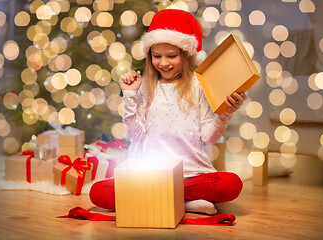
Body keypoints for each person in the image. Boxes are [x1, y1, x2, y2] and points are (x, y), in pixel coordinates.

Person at [90, 9, 247, 215]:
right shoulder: (145, 87)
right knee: (98, 192)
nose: (163, 63)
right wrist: (129, 96)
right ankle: (183, 202)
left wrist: (225, 113)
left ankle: (161, 199)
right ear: (150, 56)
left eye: (171, 56)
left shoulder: (198, 86)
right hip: (151, 175)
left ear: (186, 55)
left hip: (190, 173)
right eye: (157, 56)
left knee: (230, 184)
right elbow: (135, 135)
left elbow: (209, 137)